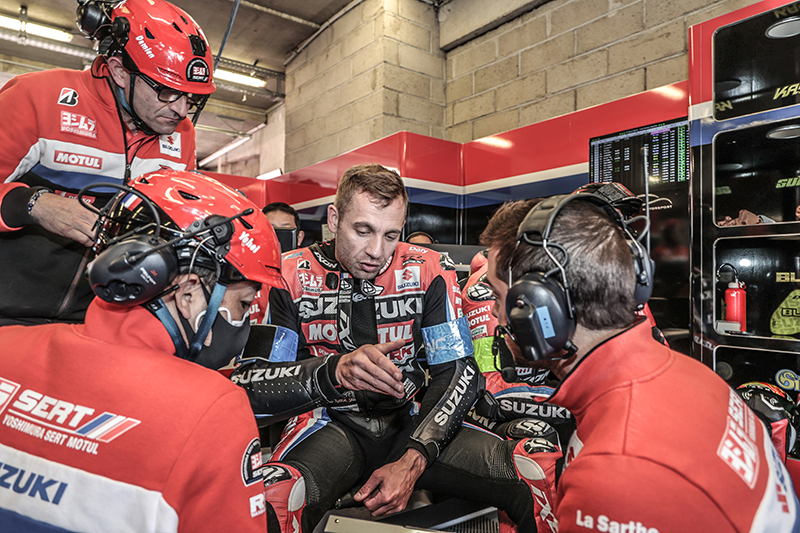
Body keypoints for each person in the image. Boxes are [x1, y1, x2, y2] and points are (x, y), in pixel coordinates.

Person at [231, 164, 559, 533]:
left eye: (391, 235)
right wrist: (333, 372)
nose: (376, 251)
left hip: (413, 422)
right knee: (275, 495)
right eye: (362, 230)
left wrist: (414, 459)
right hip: (327, 427)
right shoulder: (288, 275)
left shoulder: (428, 268)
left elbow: (458, 371)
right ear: (334, 219)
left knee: (534, 469)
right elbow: (251, 386)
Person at [481, 194, 800, 532]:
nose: (495, 312)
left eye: (499, 297)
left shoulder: (612, 470)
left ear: (542, 307)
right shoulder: (690, 373)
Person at [0, 169, 285, 531]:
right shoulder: (215, 409)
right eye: (244, 304)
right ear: (188, 293)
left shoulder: (7, 346)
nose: (243, 321)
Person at [0, 0, 214, 326]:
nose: (181, 110)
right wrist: (33, 204)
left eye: (193, 97)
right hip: (7, 312)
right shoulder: (36, 98)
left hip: (97, 323)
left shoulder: (182, 135)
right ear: (118, 71)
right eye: (167, 91)